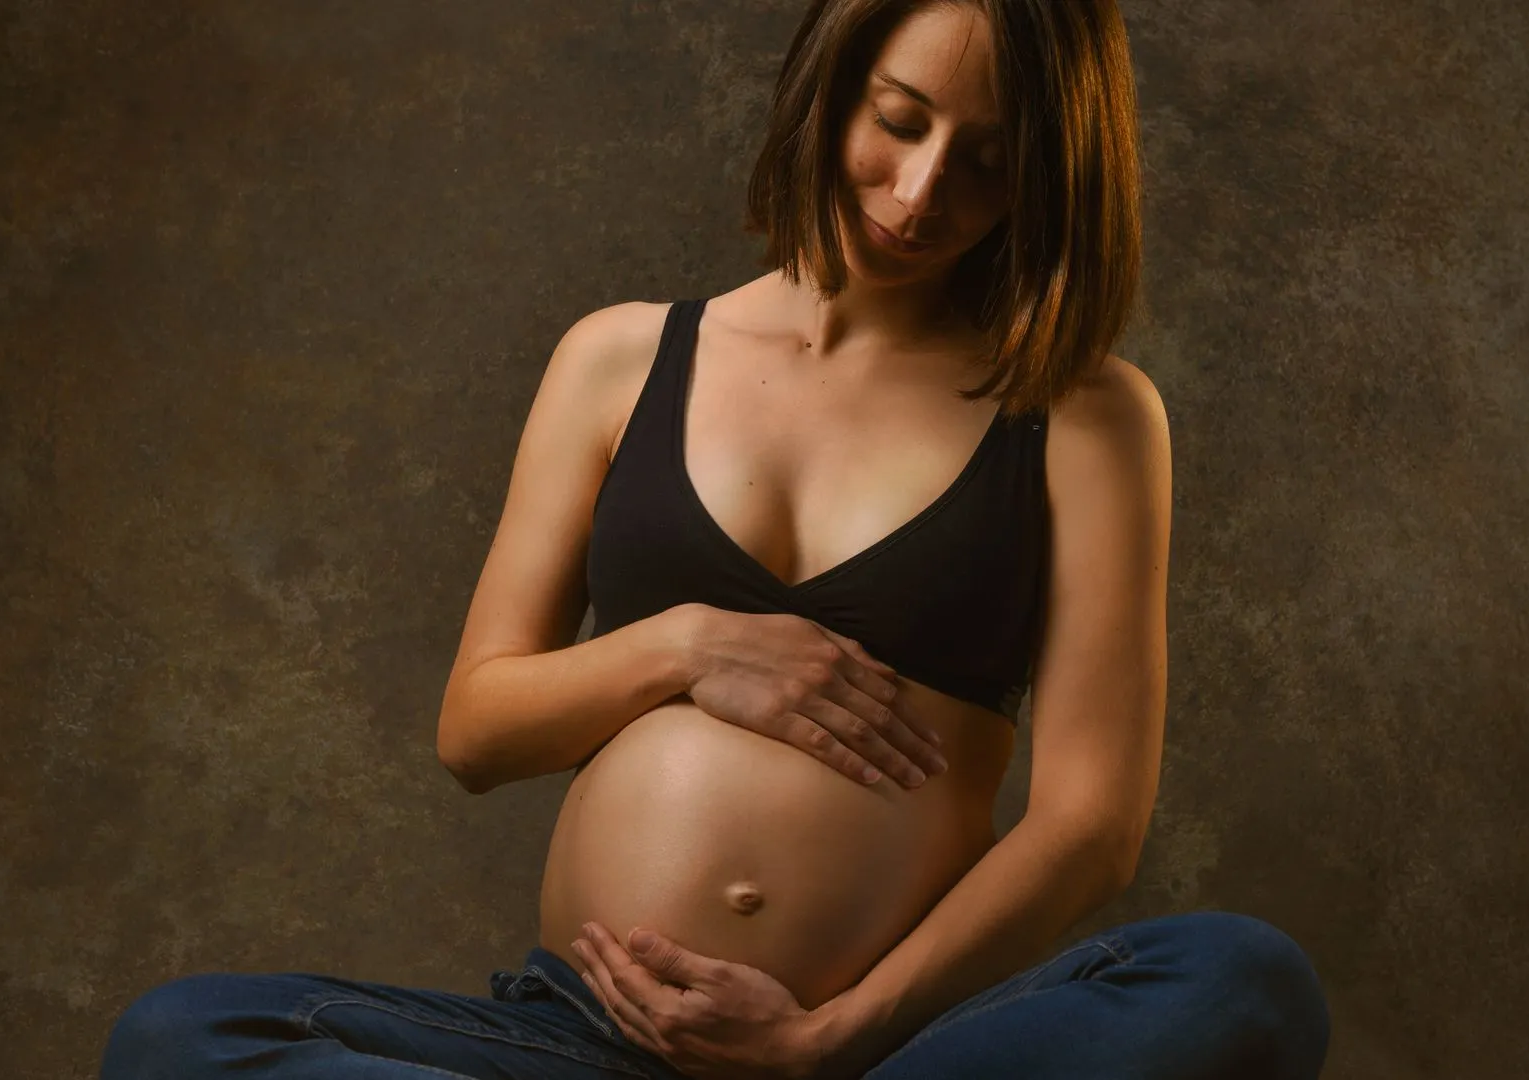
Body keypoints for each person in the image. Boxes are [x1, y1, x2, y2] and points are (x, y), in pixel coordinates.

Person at [99, 0, 1332, 1076]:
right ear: (832, 84)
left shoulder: (1080, 413)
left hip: (886, 1054)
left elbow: (1090, 826)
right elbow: (476, 728)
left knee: (1243, 981)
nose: (920, 193)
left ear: (1049, 181)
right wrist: (684, 647)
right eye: (900, 122)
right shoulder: (618, 360)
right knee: (183, 1042)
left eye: (988, 162)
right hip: (576, 1042)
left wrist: (827, 1041)